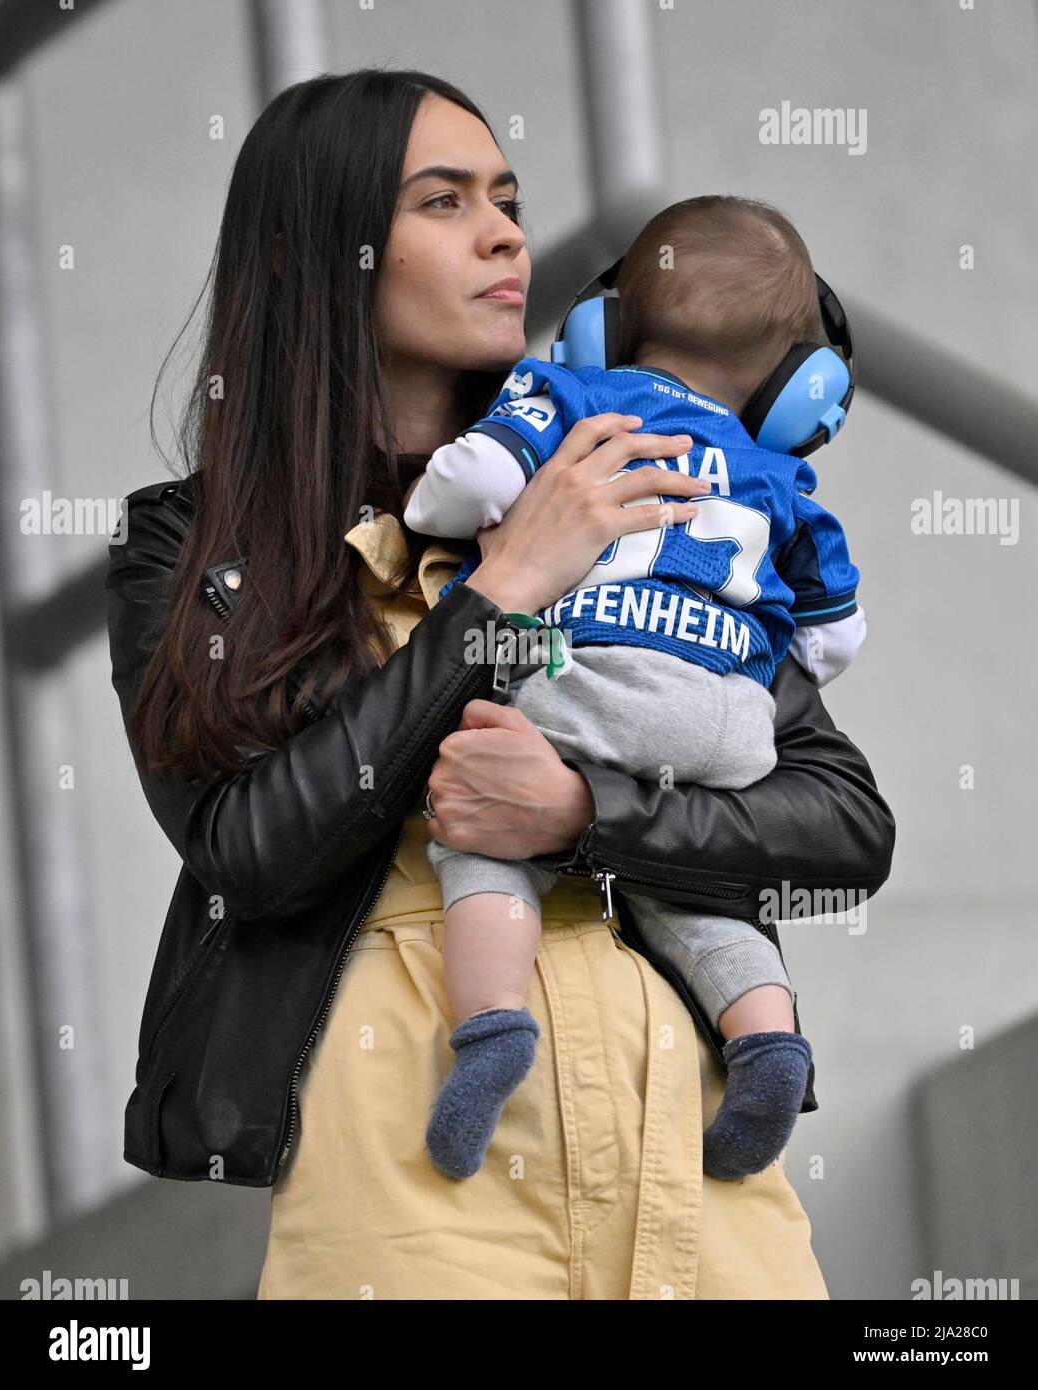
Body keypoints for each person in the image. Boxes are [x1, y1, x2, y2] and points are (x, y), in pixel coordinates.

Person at [106, 69, 894, 1300]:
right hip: (417, 1170)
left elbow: (842, 822)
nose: (505, 233)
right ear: (318, 248)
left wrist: (586, 815)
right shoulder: (191, 547)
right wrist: (501, 589)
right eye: (442, 200)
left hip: (690, 1154)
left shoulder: (621, 464)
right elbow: (247, 847)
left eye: (509, 199)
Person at [403, 195, 866, 1185]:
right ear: (801, 390)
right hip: (732, 725)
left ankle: (489, 1028)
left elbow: (466, 485)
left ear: (600, 329)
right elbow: (834, 637)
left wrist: (447, 507)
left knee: (483, 824)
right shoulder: (780, 473)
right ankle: (767, 1038)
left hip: (593, 679)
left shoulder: (577, 396)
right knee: (684, 881)